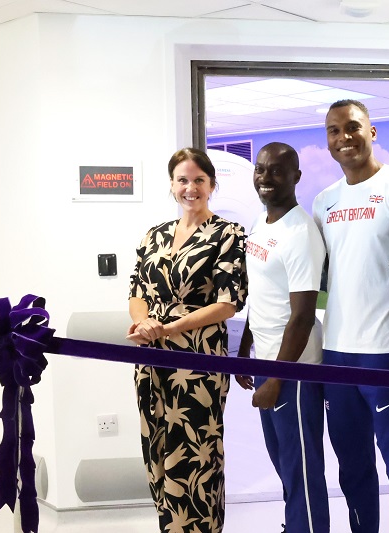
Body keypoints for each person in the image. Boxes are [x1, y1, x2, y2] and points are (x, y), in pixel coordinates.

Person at [311, 99, 389, 533]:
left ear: (372, 131)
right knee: (352, 468)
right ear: (326, 141)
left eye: (352, 127)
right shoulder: (324, 203)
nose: (344, 138)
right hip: (338, 354)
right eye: (334, 131)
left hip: (388, 354)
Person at [127, 147, 247, 533]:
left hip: (198, 363)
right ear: (172, 185)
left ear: (212, 184)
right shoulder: (155, 234)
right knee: (157, 451)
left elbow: (229, 303)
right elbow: (137, 290)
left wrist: (169, 328)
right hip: (152, 359)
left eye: (199, 180)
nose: (190, 188)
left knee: (197, 456)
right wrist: (144, 321)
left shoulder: (228, 234)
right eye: (183, 180)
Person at [235, 142, 330, 533]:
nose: (266, 178)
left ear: (296, 177)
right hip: (266, 360)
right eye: (260, 170)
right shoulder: (263, 223)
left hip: (295, 371)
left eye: (276, 171)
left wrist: (276, 378)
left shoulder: (300, 233)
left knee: (302, 470)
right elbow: (261, 294)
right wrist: (244, 349)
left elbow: (303, 316)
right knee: (285, 465)